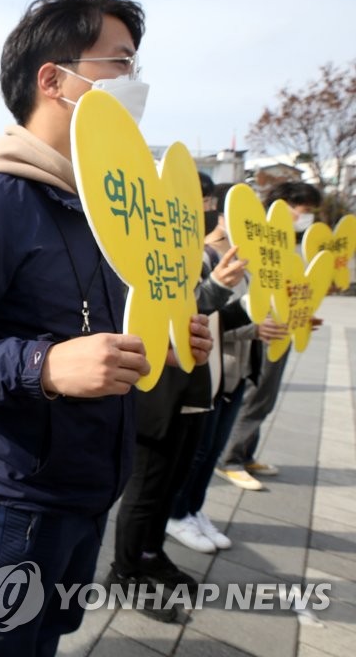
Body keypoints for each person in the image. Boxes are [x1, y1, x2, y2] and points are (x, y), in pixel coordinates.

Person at [0, 0, 210, 655]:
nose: (136, 81)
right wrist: (46, 365)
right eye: (120, 62)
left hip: (91, 483)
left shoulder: (108, 210)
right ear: (55, 79)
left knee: (49, 636)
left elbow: (109, 327)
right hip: (17, 498)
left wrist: (161, 339)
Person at [107, 174, 246, 623]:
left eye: (202, 200)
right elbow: (170, 307)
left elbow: (191, 306)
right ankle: (124, 572)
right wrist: (218, 288)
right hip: (158, 390)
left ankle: (150, 555)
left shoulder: (188, 250)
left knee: (170, 484)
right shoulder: (138, 247)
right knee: (145, 489)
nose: (201, 207)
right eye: (195, 200)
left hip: (194, 385)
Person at [166, 183, 287, 551]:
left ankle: (194, 509)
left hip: (238, 369)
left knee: (213, 449)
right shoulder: (201, 256)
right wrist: (253, 324)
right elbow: (200, 314)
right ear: (222, 214)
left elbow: (257, 305)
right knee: (196, 450)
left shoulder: (249, 261)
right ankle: (176, 514)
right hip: (212, 368)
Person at [216, 181, 323, 490]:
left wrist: (302, 313)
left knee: (265, 397)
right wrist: (255, 324)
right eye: (304, 211)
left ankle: (245, 453)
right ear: (285, 203)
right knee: (253, 395)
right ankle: (230, 459)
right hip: (257, 330)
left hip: (280, 327)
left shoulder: (285, 239)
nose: (305, 217)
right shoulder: (254, 235)